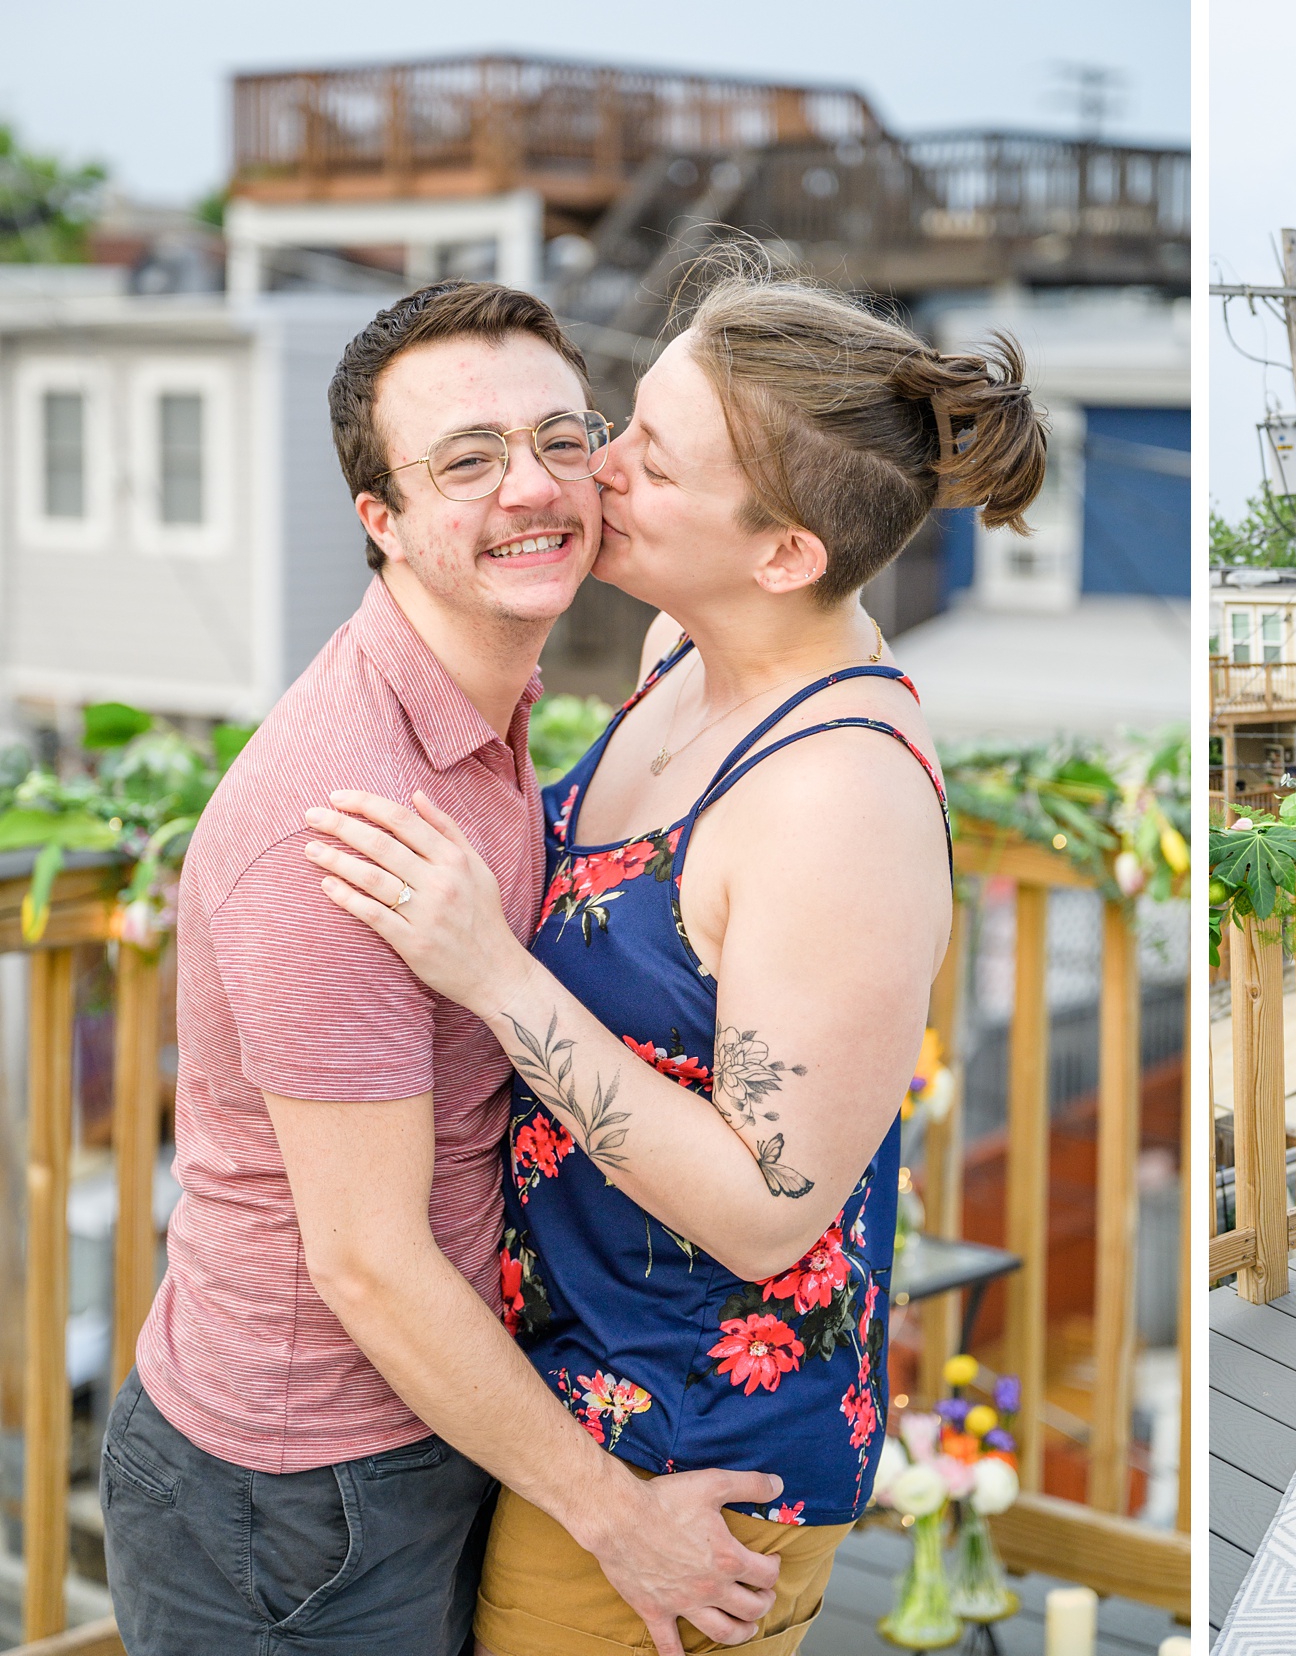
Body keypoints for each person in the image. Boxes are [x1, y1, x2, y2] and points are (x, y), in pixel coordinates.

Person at [299, 244, 1043, 1656]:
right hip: (571, 1388)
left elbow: (772, 1207)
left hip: (692, 1458)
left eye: (656, 454)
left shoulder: (840, 801)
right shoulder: (687, 648)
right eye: (631, 414)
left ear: (784, 554)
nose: (603, 464)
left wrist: (497, 975)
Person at [101, 281, 789, 1656]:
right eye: (466, 461)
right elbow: (363, 1261)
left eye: (557, 437)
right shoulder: (338, 821)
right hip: (296, 1491)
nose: (530, 488)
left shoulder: (488, 701)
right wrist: (618, 1518)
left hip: (435, 1420)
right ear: (384, 520)